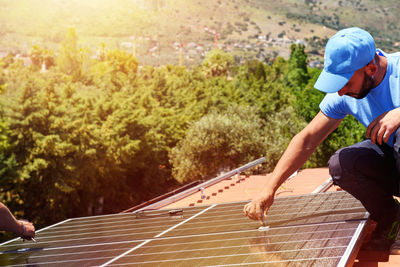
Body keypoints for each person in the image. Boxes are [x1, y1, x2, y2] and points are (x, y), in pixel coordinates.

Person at [243, 27, 400, 251]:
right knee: (342, 164)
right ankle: (391, 217)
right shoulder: (344, 93)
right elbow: (307, 139)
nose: (341, 92)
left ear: (371, 68)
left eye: (346, 83)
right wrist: (269, 188)